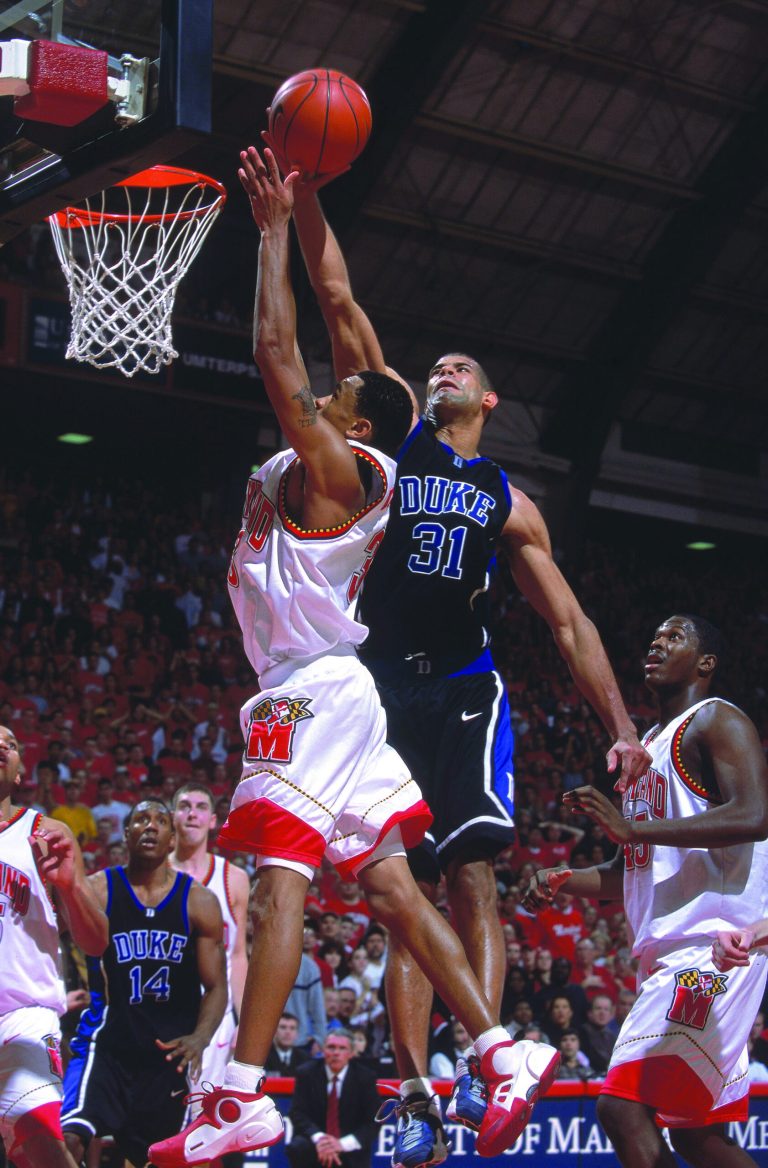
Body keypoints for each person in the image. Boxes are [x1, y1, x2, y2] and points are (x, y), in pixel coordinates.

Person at [148, 146, 563, 1168]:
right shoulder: (349, 447)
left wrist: (272, 231)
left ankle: (239, 1094)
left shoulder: (339, 465)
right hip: (346, 692)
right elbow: (331, 326)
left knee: (275, 881)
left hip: (309, 691)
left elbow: (277, 354)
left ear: (356, 421)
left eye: (341, 396)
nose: (326, 395)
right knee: (387, 889)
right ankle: (499, 1049)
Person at [280, 162, 649, 1163]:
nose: (437, 371)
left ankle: (492, 1068)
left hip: (461, 687)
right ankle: (412, 1091)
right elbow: (339, 299)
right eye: (431, 364)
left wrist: (619, 730)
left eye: (456, 368)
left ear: (487, 397)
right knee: (399, 889)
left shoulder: (509, 500)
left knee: (473, 878)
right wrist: (306, 197)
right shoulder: (398, 435)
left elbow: (569, 623)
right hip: (378, 687)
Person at [522, 613, 768, 1168]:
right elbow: (632, 866)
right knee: (697, 1137)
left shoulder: (718, 720)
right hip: (668, 954)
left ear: (706, 663)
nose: (656, 642)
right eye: (654, 635)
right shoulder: (648, 747)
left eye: (674, 636)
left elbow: (754, 814)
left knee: (621, 1108)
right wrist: (566, 879)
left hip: (716, 950)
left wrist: (633, 829)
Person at [60, 798, 227, 1168]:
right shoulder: (98, 890)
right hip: (106, 1047)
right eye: (140, 820)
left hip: (166, 1056)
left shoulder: (199, 902)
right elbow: (56, 937)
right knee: (67, 1138)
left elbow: (216, 986)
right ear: (126, 834)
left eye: (160, 821)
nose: (150, 826)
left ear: (172, 840)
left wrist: (200, 1038)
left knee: (154, 1159)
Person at [0, 724, 107, 1168]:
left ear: (22, 771)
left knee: (41, 1136)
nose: (0, 746)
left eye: (10, 744)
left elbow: (96, 941)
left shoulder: (45, 831)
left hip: (21, 1014)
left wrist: (70, 886)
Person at [171, 781, 250, 1096]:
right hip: (167, 1007)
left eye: (201, 807)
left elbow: (239, 955)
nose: (192, 814)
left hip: (216, 1015)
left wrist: (243, 1021)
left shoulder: (234, 878)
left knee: (206, 1113)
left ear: (213, 820)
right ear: (173, 816)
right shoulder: (155, 873)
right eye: (184, 806)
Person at [286, 1030, 380, 1168]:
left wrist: (341, 1144)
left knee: (358, 1151)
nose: (336, 1053)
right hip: (315, 1140)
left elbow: (374, 1121)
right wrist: (321, 1140)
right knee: (298, 1146)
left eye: (342, 1048)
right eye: (331, 1047)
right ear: (323, 1050)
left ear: (351, 1053)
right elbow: (297, 1113)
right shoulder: (306, 1073)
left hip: (348, 1141)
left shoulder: (365, 1077)